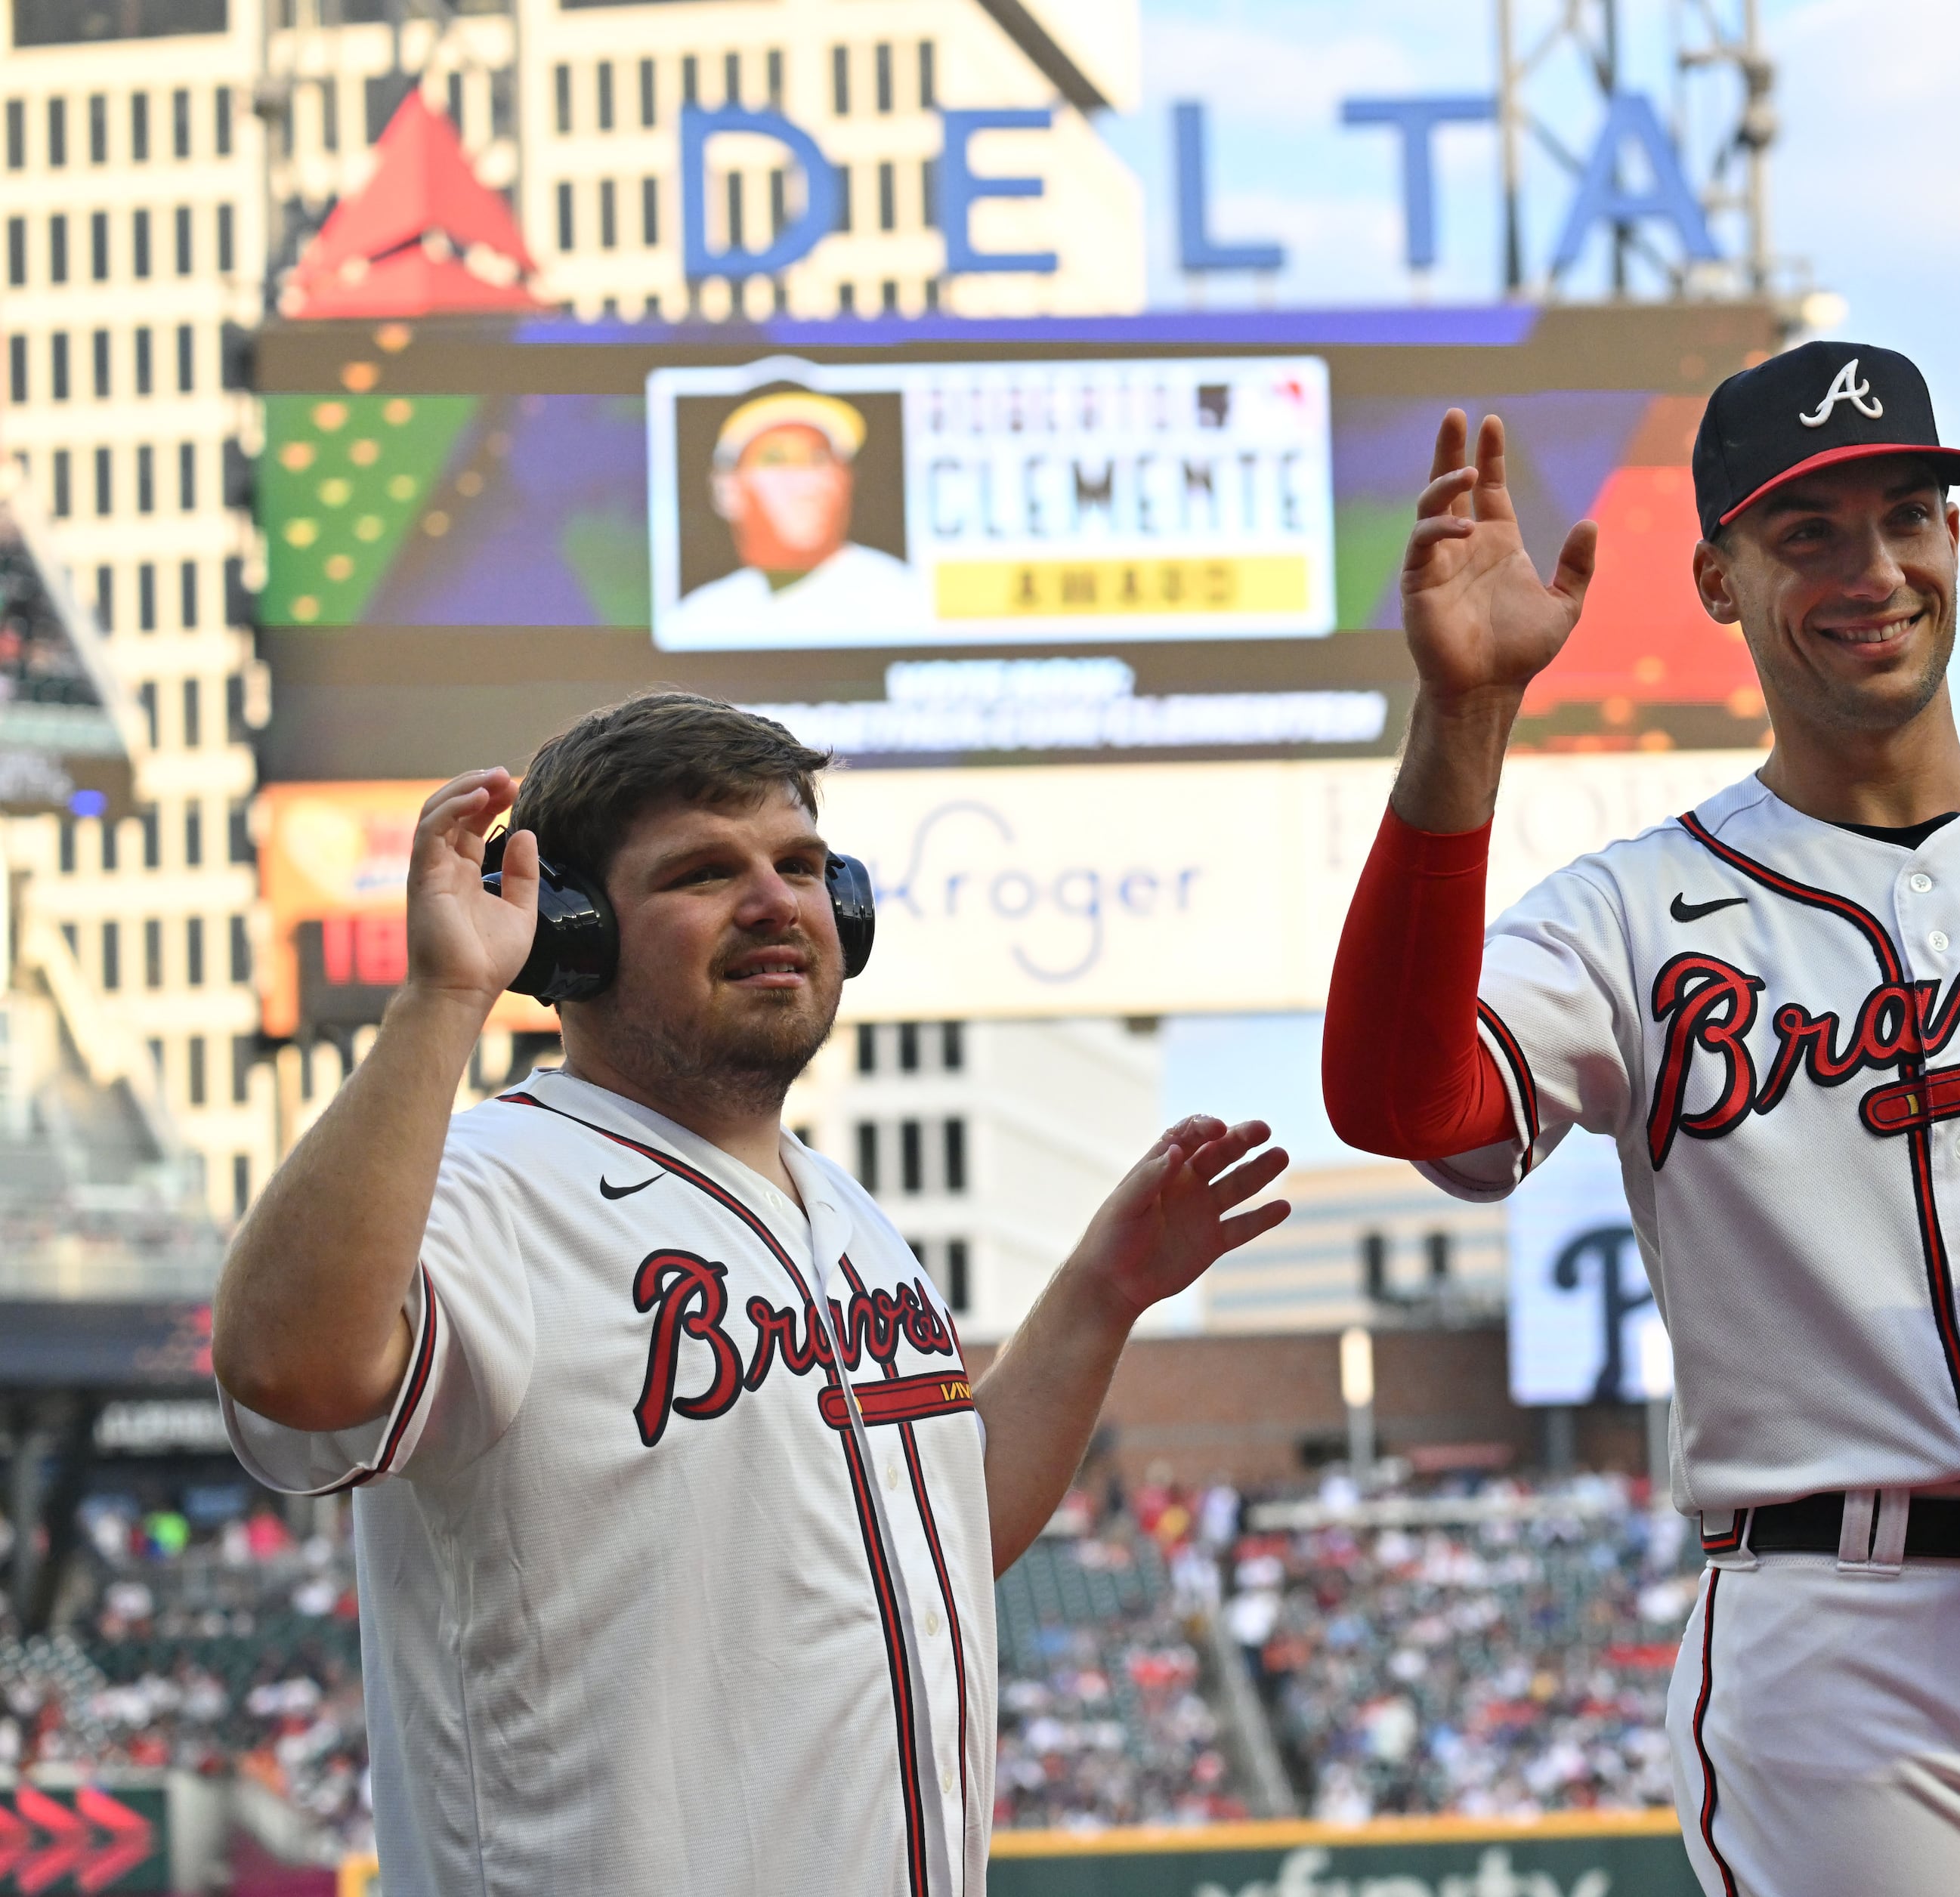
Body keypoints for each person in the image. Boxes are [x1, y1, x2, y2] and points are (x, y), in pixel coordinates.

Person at [1321, 340, 1960, 1893]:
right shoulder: (1632, 919)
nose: (1872, 567)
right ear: (1719, 579)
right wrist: (1464, 715)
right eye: (1809, 533)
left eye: (1908, 514)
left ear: (1955, 536)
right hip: (1847, 1642)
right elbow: (1407, 1103)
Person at [211, 692, 1288, 1895]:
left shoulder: (852, 1217)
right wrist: (442, 1001)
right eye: (704, 873)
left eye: (802, 864)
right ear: (573, 932)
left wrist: (1099, 1298)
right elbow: (285, 1367)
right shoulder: (493, 1184)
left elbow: (944, 1535)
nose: (779, 900)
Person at [665, 391, 926, 647]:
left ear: (846, 480)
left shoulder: (905, 598)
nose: (806, 483)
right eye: (776, 461)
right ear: (727, 490)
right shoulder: (700, 617)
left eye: (819, 460)